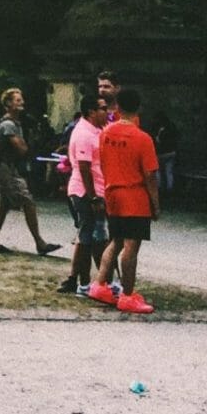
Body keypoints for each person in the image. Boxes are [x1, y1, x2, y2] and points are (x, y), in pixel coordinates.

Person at [95, 86, 158, 312]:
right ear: (139, 108)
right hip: (134, 195)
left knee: (116, 239)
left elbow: (102, 163)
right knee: (131, 246)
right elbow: (150, 174)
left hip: (112, 191)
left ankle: (100, 283)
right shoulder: (143, 138)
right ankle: (128, 294)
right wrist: (155, 204)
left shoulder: (105, 133)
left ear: (117, 107)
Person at [0, 89, 60, 257]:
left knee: (4, 206)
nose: (22, 103)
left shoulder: (13, 123)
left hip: (5, 167)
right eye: (18, 100)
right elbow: (21, 149)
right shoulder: (9, 125)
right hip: (7, 168)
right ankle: (39, 243)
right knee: (28, 202)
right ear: (8, 104)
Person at [64, 91, 111, 299]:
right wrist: (92, 197)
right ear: (92, 111)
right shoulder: (84, 133)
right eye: (103, 108)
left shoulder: (97, 129)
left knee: (89, 234)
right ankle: (92, 281)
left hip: (96, 188)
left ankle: (82, 280)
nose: (107, 112)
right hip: (85, 190)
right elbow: (84, 167)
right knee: (91, 236)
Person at [151, 111, 179, 198]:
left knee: (157, 171)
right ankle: (170, 190)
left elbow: (158, 141)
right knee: (169, 172)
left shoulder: (159, 128)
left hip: (161, 153)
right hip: (172, 152)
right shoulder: (172, 126)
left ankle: (159, 189)